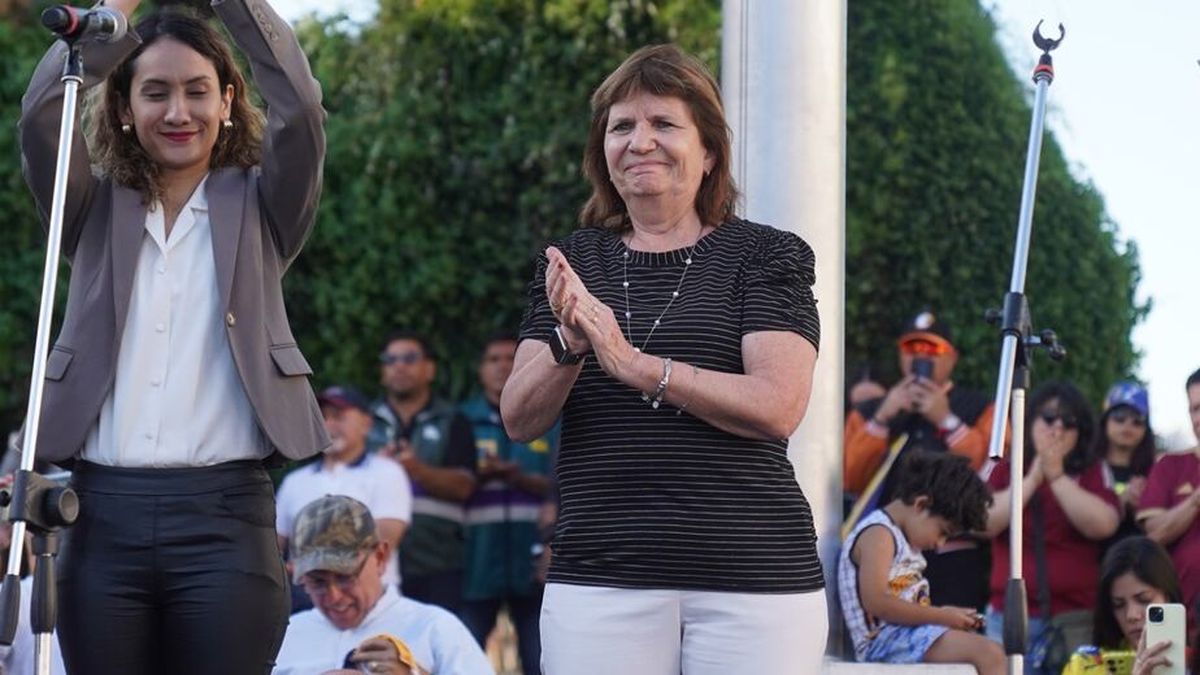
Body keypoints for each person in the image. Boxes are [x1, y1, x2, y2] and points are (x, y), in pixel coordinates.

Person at [19, 0, 327, 672]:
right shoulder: (90, 208)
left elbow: (301, 110)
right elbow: (45, 114)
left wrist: (234, 5)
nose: (178, 112)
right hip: (100, 517)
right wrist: (110, 14)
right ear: (124, 108)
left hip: (227, 519)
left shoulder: (266, 204)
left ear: (227, 102)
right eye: (154, 92)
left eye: (197, 91)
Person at [500, 43, 826, 674]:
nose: (639, 141)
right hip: (600, 579)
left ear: (708, 153)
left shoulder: (766, 255)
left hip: (754, 580)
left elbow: (778, 406)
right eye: (621, 126)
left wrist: (636, 365)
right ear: (604, 154)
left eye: (663, 124)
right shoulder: (572, 261)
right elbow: (518, 417)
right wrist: (571, 343)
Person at [844, 310, 996, 612]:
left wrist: (946, 420)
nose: (920, 357)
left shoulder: (979, 406)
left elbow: (989, 471)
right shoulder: (871, 410)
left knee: (953, 646)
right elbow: (851, 477)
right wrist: (882, 417)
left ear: (952, 358)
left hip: (955, 558)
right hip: (888, 555)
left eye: (932, 349)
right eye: (911, 348)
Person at [983, 381, 1120, 674]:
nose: (1057, 428)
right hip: (1008, 619)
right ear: (1029, 421)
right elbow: (983, 522)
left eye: (1069, 422)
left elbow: (1104, 525)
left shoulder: (1093, 469)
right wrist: (1032, 480)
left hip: (1074, 620)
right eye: (1048, 418)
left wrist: (1056, 477)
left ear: (1080, 432)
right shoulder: (1006, 468)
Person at [274, 495, 493, 675]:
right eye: (317, 582)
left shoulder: (434, 628)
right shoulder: (283, 639)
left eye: (345, 577)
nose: (334, 597)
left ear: (380, 557)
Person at [838, 451, 1004, 673]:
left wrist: (943, 616)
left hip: (906, 635)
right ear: (921, 505)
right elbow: (876, 602)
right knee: (989, 654)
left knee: (984, 648)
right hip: (883, 643)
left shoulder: (900, 537)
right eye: (943, 532)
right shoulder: (879, 535)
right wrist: (942, 616)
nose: (940, 544)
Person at [459, 334, 554, 675]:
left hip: (532, 560)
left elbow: (561, 482)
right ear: (480, 370)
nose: (502, 366)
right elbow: (452, 484)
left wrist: (519, 478)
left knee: (539, 658)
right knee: (463, 656)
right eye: (492, 359)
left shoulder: (549, 416)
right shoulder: (463, 420)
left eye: (509, 358)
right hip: (477, 563)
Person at [367, 331, 477, 613]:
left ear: (430, 369)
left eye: (409, 358)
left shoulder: (454, 420)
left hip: (438, 561)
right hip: (375, 564)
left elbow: (464, 487)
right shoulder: (364, 422)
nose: (399, 366)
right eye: (390, 360)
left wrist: (417, 470)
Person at [276, 385, 413, 610]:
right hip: (303, 601)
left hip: (372, 601)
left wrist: (307, 560)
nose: (329, 425)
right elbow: (275, 545)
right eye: (323, 417)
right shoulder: (295, 480)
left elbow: (386, 535)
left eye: (338, 417)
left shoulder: (387, 472)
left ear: (366, 424)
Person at [1059, 536, 1181, 675]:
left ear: (1168, 597)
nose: (1131, 615)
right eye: (1118, 605)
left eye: (1144, 599)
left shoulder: (1194, 660)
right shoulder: (1086, 665)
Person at [1138, 367, 1200, 611]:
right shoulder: (1171, 466)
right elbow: (1155, 535)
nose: (1198, 417)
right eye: (1194, 409)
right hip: (1183, 619)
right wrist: (1196, 499)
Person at [1094, 382, 1156, 554]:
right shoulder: (1087, 469)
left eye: (1137, 420)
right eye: (1120, 417)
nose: (1128, 425)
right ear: (1106, 420)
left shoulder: (1156, 472)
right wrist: (1119, 502)